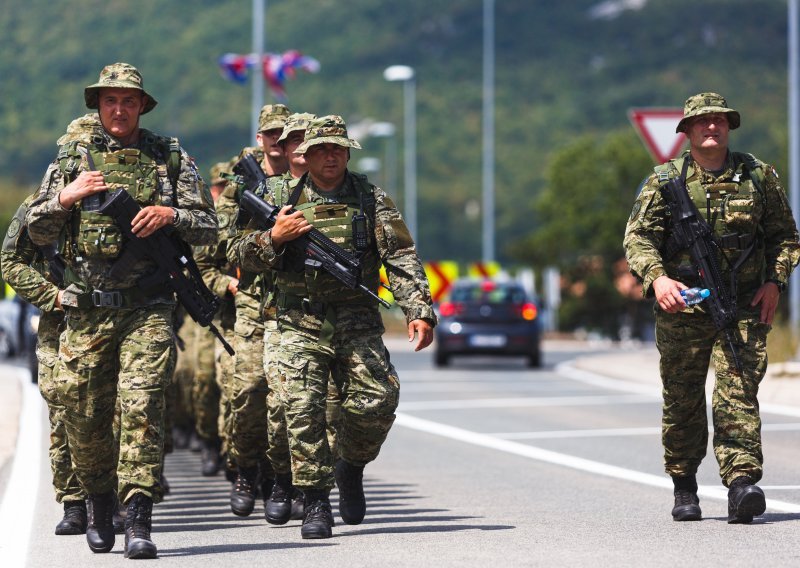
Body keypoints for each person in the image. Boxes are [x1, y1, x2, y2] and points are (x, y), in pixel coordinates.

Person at [26, 62, 218, 558]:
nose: (119, 108)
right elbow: (35, 233)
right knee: (85, 415)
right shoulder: (70, 161)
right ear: (98, 105)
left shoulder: (168, 159)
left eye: (128, 100)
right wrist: (65, 200)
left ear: (141, 106)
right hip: (86, 314)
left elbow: (208, 226)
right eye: (110, 100)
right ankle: (96, 500)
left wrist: (172, 213)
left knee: (142, 407)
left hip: (147, 309)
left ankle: (138, 519)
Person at [228, 114, 436, 539]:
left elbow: (400, 256)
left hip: (356, 317)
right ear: (305, 153)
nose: (329, 157)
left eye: (337, 149)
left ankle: (351, 466)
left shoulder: (371, 197)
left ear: (346, 152)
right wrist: (274, 237)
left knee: (378, 401)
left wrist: (418, 308)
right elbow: (236, 251)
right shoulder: (275, 193)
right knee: (300, 409)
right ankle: (317, 502)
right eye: (320, 149)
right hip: (295, 319)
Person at [624, 92, 800, 524]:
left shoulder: (759, 176)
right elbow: (638, 238)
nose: (712, 127)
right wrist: (658, 277)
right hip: (682, 310)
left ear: (729, 127)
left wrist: (775, 283)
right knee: (682, 399)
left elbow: (785, 237)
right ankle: (684, 486)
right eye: (702, 122)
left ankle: (742, 484)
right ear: (686, 131)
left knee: (738, 393)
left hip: (742, 306)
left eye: (719, 120)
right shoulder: (666, 181)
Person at [223, 103, 292, 518]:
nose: (279, 144)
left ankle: (282, 480)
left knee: (287, 400)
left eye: (286, 136)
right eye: (271, 135)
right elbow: (221, 239)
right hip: (252, 301)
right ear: (260, 137)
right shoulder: (241, 182)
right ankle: (245, 468)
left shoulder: (308, 178)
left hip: (292, 302)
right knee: (248, 394)